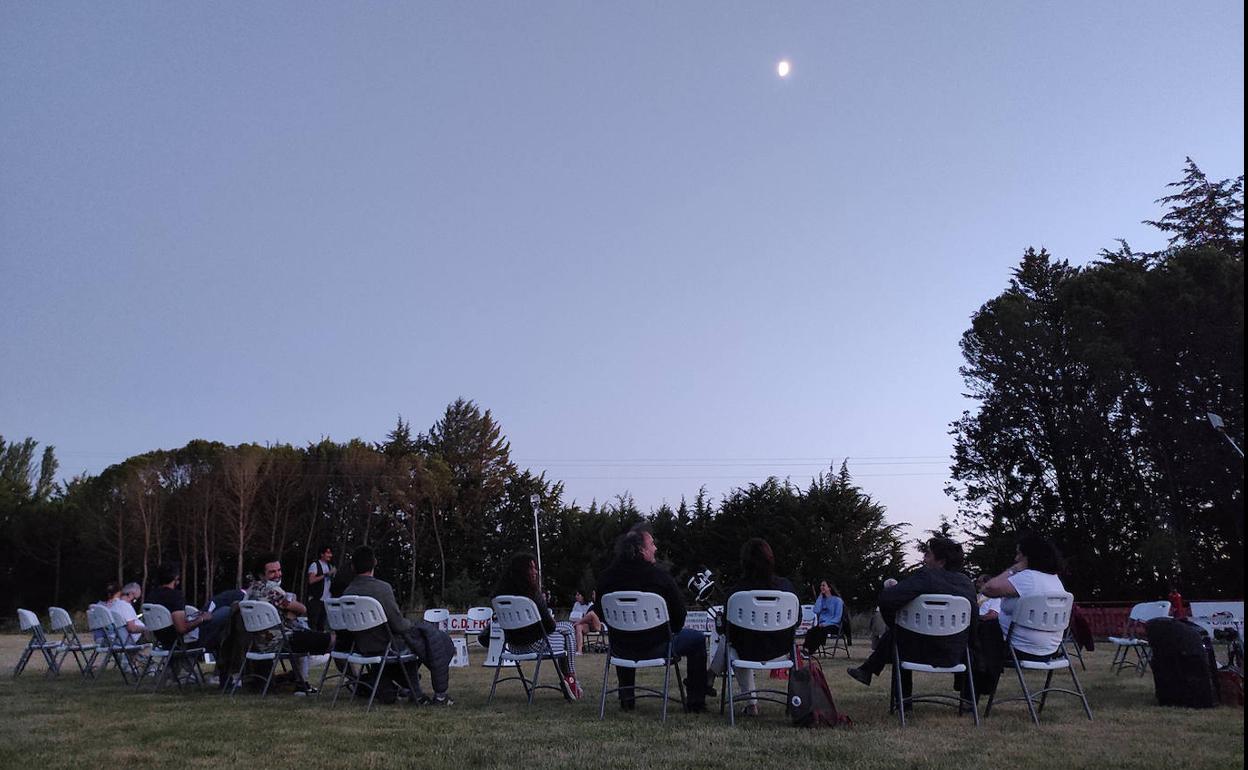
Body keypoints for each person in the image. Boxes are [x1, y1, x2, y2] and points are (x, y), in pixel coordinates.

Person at [595, 523, 708, 712]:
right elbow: (680, 616)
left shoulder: (606, 578)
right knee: (697, 640)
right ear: (640, 549)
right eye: (652, 544)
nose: (655, 548)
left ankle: (627, 698)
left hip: (620, 647)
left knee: (625, 633)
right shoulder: (660, 577)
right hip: (658, 647)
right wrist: (668, 632)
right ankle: (696, 702)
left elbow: (600, 611)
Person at [846, 538, 977, 696]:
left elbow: (886, 600)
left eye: (928, 555)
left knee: (898, 635)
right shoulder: (967, 583)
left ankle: (901, 700)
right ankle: (968, 702)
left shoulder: (926, 577)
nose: (924, 558)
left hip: (915, 652)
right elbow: (973, 622)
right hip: (955, 653)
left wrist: (894, 624)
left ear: (941, 562)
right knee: (900, 633)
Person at [344, 545, 456, 706]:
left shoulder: (347, 592)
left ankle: (410, 690)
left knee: (419, 641)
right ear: (375, 562)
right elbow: (399, 625)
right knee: (428, 641)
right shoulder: (382, 589)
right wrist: (412, 624)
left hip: (361, 646)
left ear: (352, 567)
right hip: (387, 645)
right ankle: (436, 694)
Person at [710, 538, 799, 716]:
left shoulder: (736, 593)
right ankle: (709, 677)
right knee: (734, 642)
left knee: (730, 642)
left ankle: (747, 701)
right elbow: (797, 620)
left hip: (746, 651)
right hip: (779, 650)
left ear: (744, 563)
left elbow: (726, 630)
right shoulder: (786, 588)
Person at [493, 552, 583, 700]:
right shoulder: (532, 595)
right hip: (534, 645)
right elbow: (549, 627)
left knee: (566, 630)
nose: (535, 572)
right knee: (567, 629)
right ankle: (571, 678)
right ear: (522, 572)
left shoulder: (499, 597)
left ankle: (570, 680)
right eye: (531, 568)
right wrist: (553, 623)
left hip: (512, 646)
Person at [244, 554, 333, 694]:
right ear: (261, 575)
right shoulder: (272, 590)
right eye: (272, 572)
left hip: (259, 643)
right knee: (333, 641)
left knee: (304, 635)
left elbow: (289, 611)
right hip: (282, 641)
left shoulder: (250, 592)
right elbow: (301, 609)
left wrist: (288, 612)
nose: (277, 574)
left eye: (279, 570)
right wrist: (290, 610)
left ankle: (300, 683)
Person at [801, 580, 844, 657]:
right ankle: (805, 649)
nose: (822, 587)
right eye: (821, 585)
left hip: (833, 625)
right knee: (811, 631)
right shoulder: (822, 600)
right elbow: (816, 610)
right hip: (821, 624)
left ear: (829, 588)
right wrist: (820, 597)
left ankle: (810, 651)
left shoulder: (837, 600)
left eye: (824, 585)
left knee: (820, 632)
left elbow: (837, 617)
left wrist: (826, 624)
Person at [104, 581, 145, 646]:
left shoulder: (113, 605)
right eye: (135, 600)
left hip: (114, 639)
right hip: (127, 641)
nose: (133, 603)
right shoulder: (126, 606)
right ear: (131, 594)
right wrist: (145, 629)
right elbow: (132, 628)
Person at [306, 546, 336, 632]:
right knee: (313, 624)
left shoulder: (330, 566)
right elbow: (311, 580)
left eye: (330, 553)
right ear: (322, 554)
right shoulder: (315, 565)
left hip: (326, 600)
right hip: (316, 599)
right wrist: (326, 574)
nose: (330, 555)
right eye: (328, 553)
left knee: (322, 625)